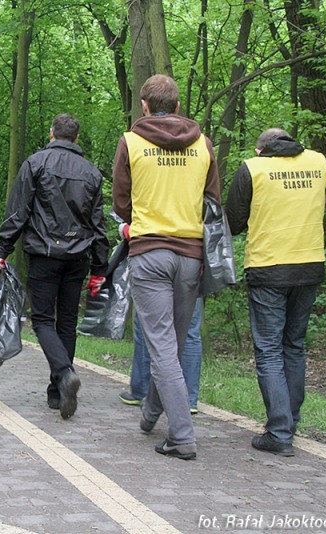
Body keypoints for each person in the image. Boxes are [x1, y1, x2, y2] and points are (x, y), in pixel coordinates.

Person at [112, 74, 220, 460]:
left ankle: (182, 437)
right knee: (171, 344)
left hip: (149, 253)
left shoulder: (131, 142)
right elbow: (213, 203)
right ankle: (151, 415)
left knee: (161, 345)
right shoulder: (204, 145)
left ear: (144, 105)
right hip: (191, 257)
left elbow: (121, 203)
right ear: (176, 106)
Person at [0, 113, 109, 420]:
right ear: (77, 138)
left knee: (42, 320)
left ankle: (64, 374)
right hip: (78, 257)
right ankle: (57, 393)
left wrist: (1, 251)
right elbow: (98, 225)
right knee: (67, 323)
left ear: (52, 133)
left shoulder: (35, 163)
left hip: (44, 254)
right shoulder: (92, 173)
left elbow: (18, 212)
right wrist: (100, 267)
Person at [226, 128, 326, 457]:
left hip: (268, 267)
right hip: (310, 264)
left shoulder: (253, 169)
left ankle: (279, 431)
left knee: (269, 350)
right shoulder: (319, 162)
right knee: (294, 346)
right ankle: (291, 421)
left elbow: (233, 221)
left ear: (261, 149)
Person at [120, 297, 203, 414]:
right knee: (190, 332)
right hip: (190, 280)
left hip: (156, 281)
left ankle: (142, 392)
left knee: (146, 325)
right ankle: (188, 400)